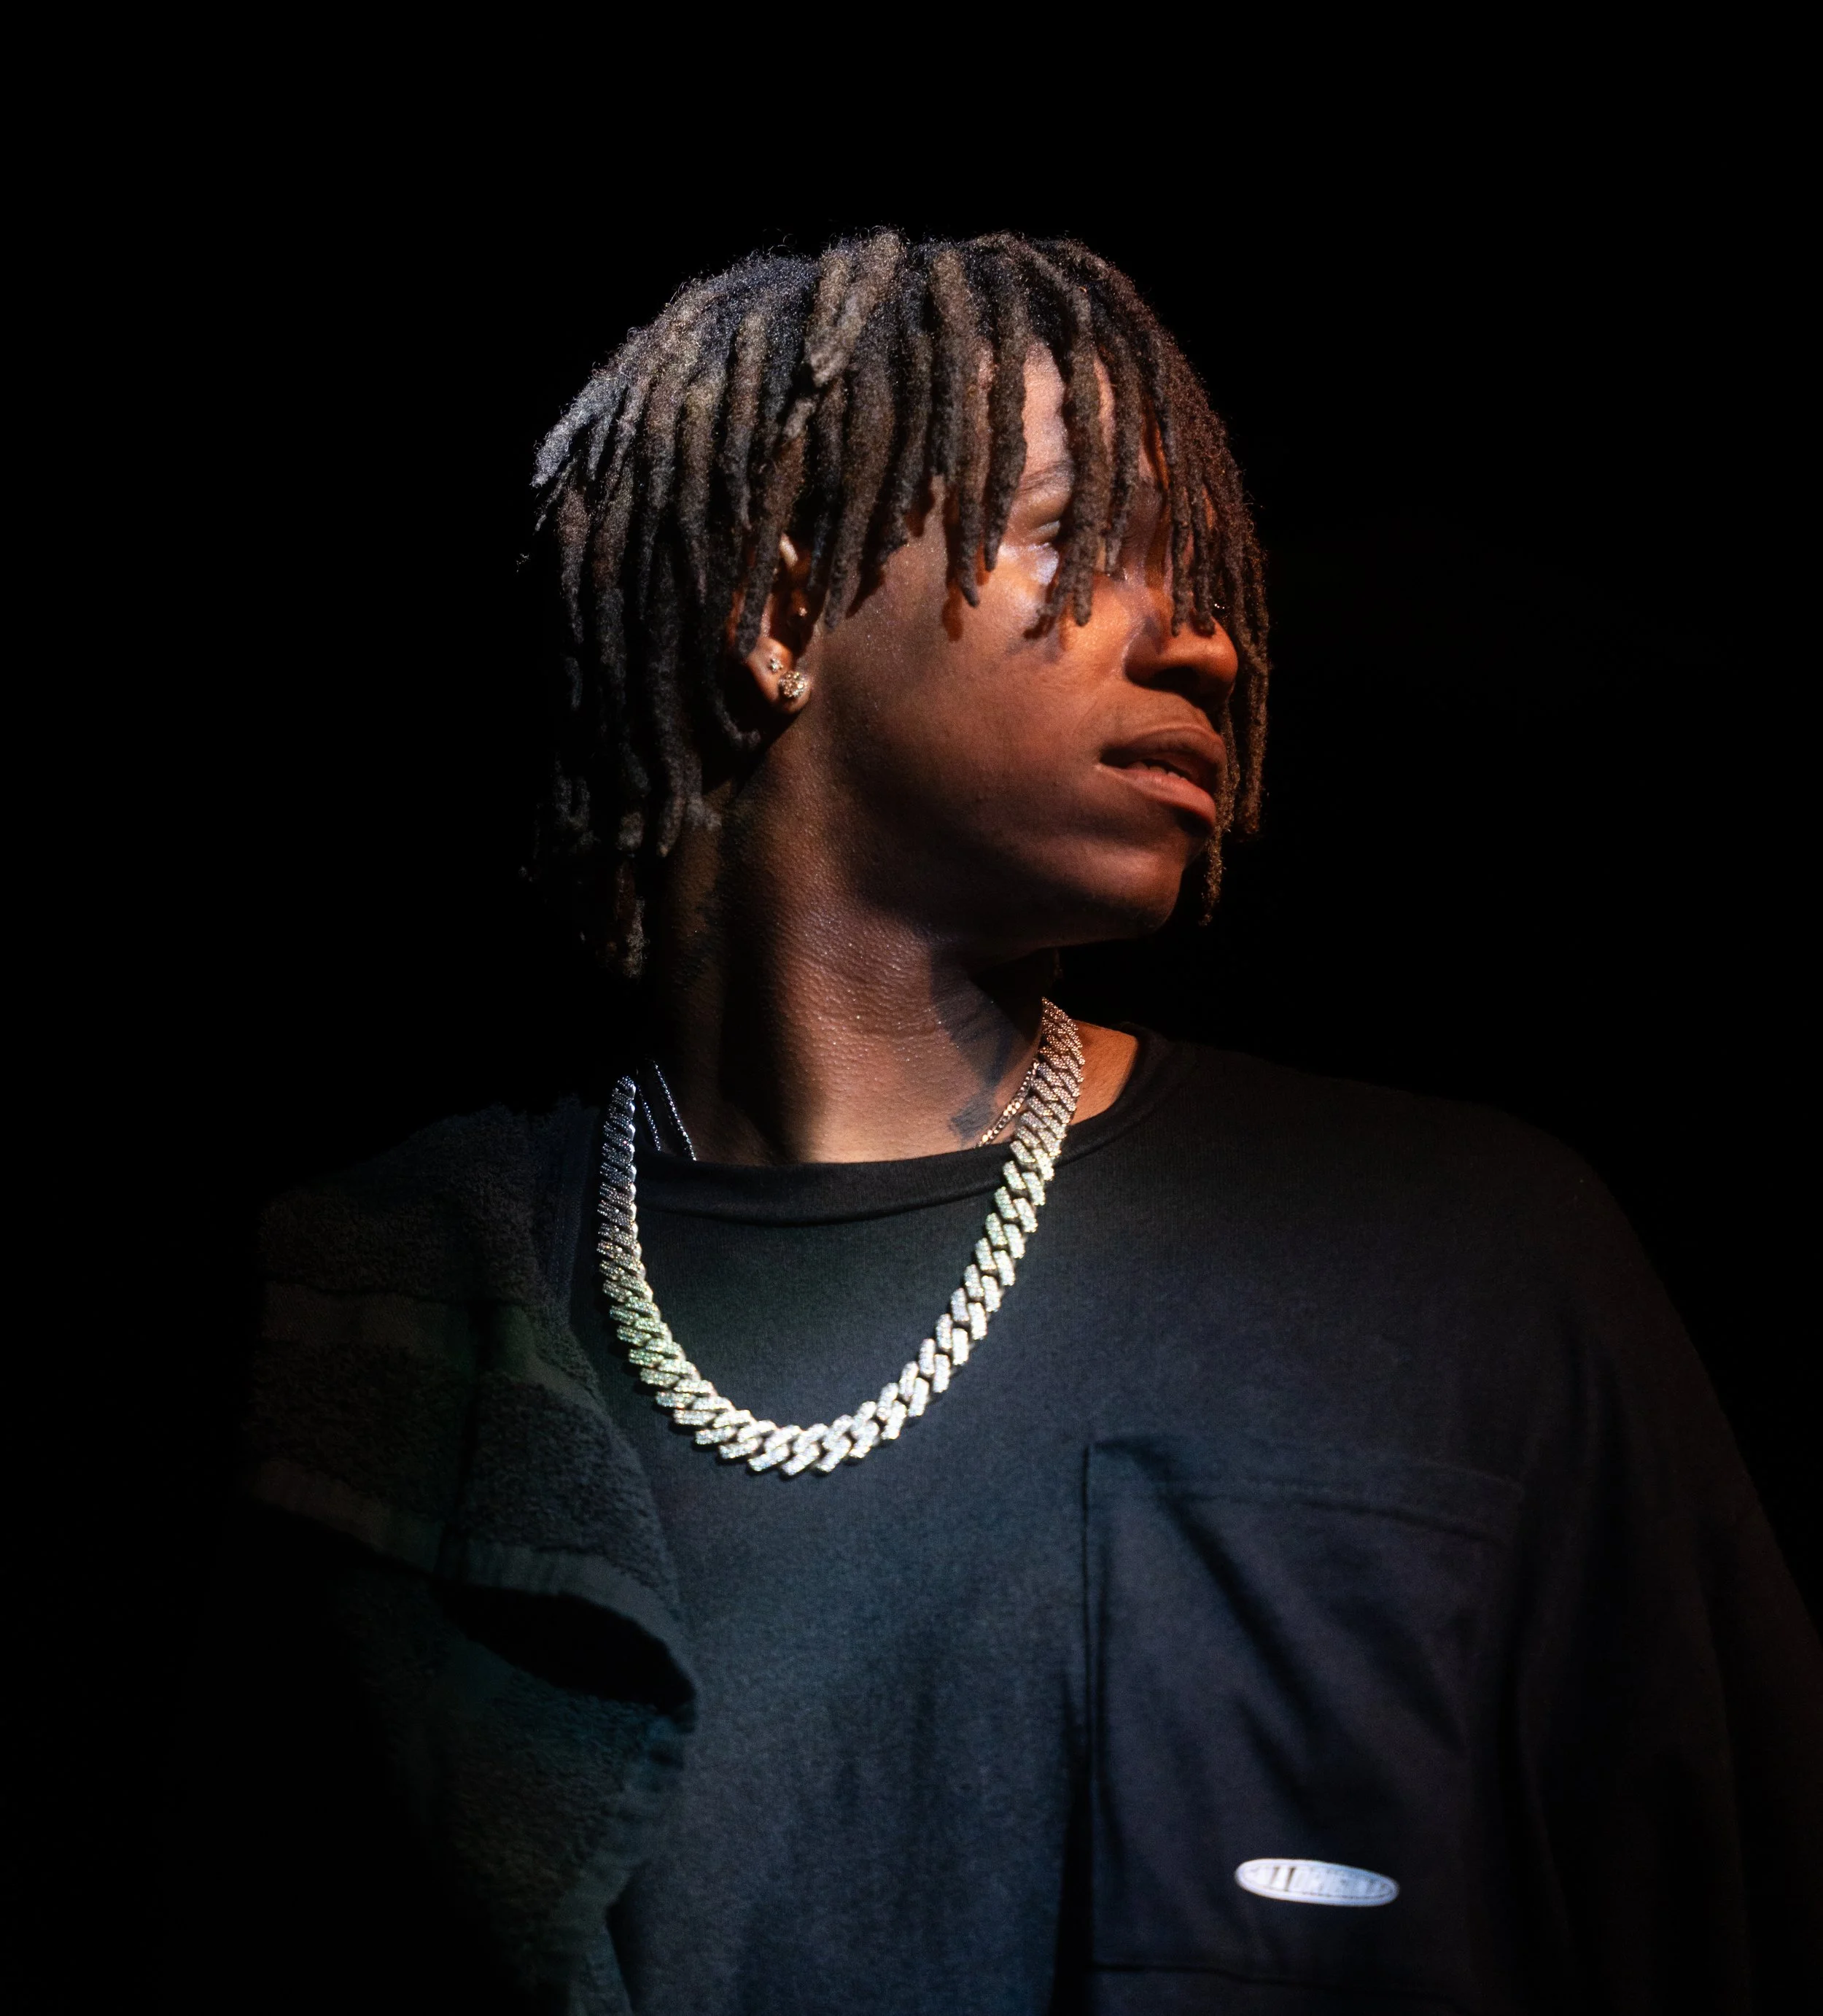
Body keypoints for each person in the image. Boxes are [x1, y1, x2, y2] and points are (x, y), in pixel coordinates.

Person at [168, 230, 1822, 2014]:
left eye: (1211, 583)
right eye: (1084, 540)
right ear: (782, 619)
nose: (1198, 643)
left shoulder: (1462, 1264)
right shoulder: (367, 1303)